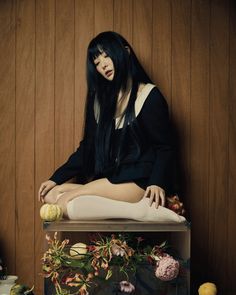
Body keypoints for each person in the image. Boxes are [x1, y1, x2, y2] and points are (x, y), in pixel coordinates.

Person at [38, 31, 180, 221]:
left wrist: (157, 183)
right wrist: (56, 178)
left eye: (107, 56)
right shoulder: (99, 101)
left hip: (139, 181)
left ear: (126, 52)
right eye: (97, 62)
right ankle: (137, 211)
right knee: (51, 195)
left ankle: (142, 209)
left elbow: (165, 147)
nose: (103, 64)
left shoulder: (148, 95)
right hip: (112, 178)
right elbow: (88, 147)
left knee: (66, 202)